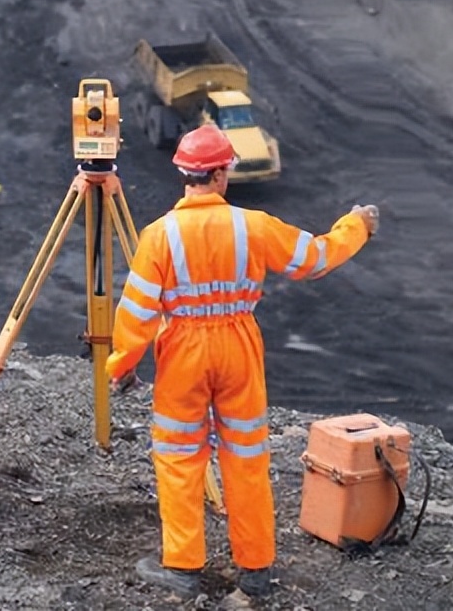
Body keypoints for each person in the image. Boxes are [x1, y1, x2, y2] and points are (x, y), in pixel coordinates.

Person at [105, 124, 379, 598]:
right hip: (238, 347)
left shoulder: (159, 236)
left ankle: (183, 566)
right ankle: (256, 568)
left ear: (184, 176)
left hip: (184, 353)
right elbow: (314, 258)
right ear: (222, 173)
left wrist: (122, 366)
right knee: (246, 459)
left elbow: (136, 310)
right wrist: (356, 226)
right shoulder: (252, 225)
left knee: (178, 459)